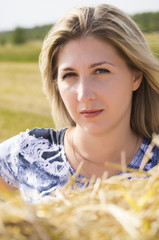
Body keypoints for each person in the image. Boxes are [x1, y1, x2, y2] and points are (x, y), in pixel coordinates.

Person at [0, 4, 159, 203]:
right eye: (70, 75)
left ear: (136, 77)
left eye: (100, 71)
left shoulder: (155, 172)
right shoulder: (29, 153)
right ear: (56, 84)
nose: (84, 95)